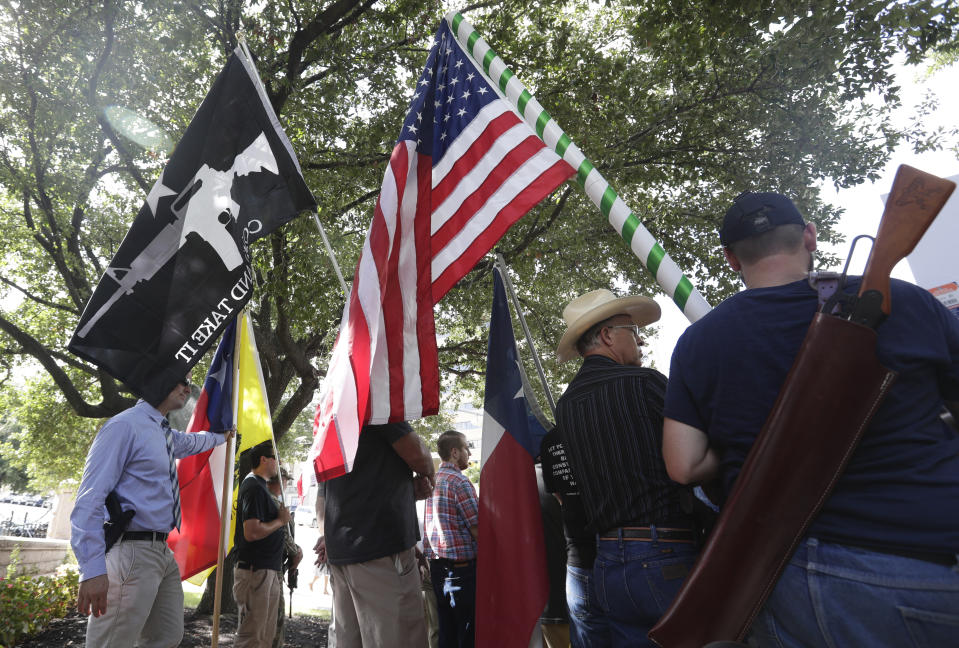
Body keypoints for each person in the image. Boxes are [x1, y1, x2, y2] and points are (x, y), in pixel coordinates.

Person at [663, 191, 959, 646]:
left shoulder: (698, 343)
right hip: (925, 554)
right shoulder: (907, 301)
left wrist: (752, 443)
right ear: (810, 236)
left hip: (783, 570)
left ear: (730, 259)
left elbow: (682, 465)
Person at [554, 289, 698, 646]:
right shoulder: (644, 382)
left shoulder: (567, 404)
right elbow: (692, 454)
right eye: (632, 330)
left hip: (606, 563)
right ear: (606, 335)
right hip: (665, 552)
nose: (641, 338)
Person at [71, 375, 231, 647]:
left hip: (161, 552)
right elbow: (90, 498)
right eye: (180, 380)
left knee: (166, 636)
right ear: (156, 382)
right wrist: (92, 569)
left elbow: (191, 443)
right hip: (132, 551)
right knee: (112, 642)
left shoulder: (163, 432)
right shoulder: (124, 426)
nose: (188, 387)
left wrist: (221, 437)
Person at [315, 421, 435, 648]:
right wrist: (430, 476)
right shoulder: (378, 399)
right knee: (399, 638)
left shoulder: (332, 415)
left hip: (345, 552)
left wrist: (407, 491)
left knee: (350, 639)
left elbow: (325, 498)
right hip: (379, 550)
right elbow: (419, 455)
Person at [540, 427, 609, 648]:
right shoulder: (601, 433)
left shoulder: (551, 441)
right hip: (605, 555)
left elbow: (562, 499)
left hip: (574, 569)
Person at [234, 441, 292, 648]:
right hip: (255, 571)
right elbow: (252, 532)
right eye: (275, 458)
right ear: (263, 460)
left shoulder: (260, 487)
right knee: (252, 635)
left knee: (265, 636)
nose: (279, 463)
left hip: (267, 570)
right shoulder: (253, 487)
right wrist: (280, 521)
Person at [424, 430, 479, 648]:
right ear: (455, 452)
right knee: (466, 633)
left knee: (446, 632)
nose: (469, 453)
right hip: (462, 571)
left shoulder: (434, 481)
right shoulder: (460, 482)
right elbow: (477, 529)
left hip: (438, 569)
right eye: (467, 447)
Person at [266, 467, 303, 648]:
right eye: (285, 480)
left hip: (270, 565)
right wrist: (296, 554)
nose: (285, 484)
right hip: (271, 568)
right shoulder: (273, 503)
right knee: (275, 621)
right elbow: (286, 539)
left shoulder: (265, 500)